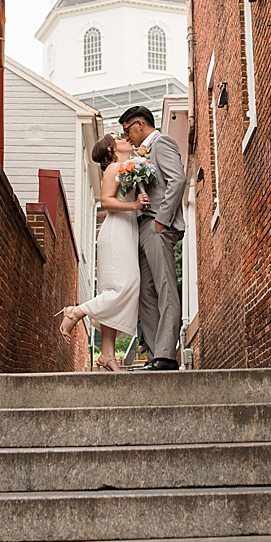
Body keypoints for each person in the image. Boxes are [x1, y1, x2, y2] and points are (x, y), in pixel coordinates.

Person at [59, 134, 149, 372]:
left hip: (127, 230)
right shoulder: (113, 169)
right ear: (111, 148)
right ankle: (76, 311)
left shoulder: (127, 168)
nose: (125, 138)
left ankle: (107, 354)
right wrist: (135, 205)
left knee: (114, 288)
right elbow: (107, 203)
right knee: (125, 286)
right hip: (116, 231)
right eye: (119, 138)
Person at [119, 105, 187, 371]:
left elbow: (177, 180)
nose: (127, 138)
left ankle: (167, 354)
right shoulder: (141, 153)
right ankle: (155, 355)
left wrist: (162, 220)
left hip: (158, 226)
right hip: (144, 228)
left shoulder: (162, 143)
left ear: (139, 124)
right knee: (145, 293)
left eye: (127, 131)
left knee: (165, 287)